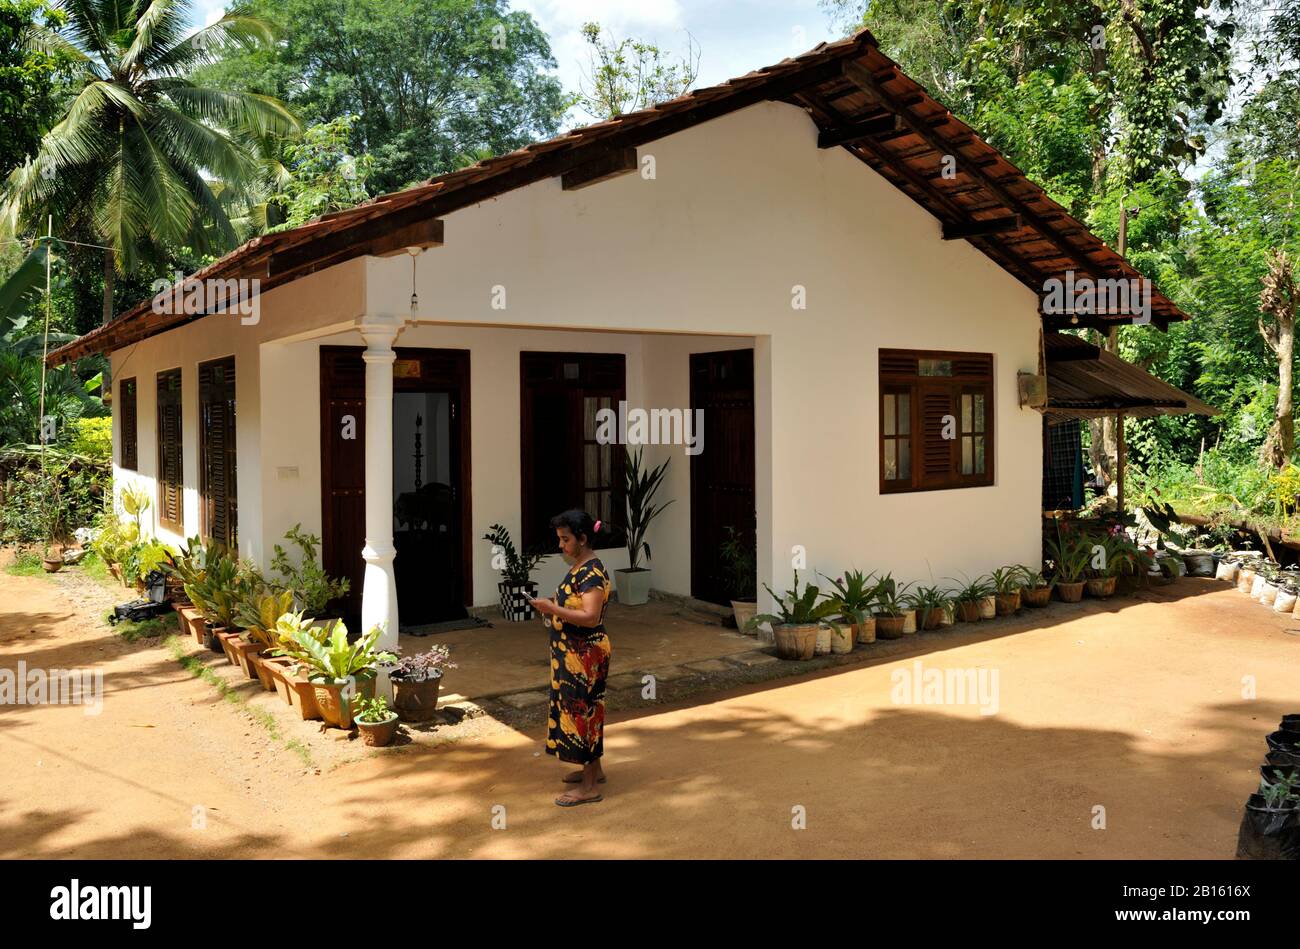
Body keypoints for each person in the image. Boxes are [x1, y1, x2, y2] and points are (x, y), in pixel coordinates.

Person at [529, 509, 612, 806]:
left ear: (583, 539)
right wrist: (553, 607)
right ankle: (595, 770)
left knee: (583, 714)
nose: (561, 546)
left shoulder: (591, 573)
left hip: (584, 654)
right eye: (560, 539)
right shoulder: (582, 565)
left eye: (565, 540)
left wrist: (553, 610)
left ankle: (589, 786)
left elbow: (590, 617)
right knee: (586, 711)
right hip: (574, 653)